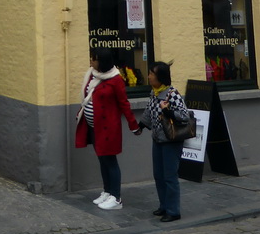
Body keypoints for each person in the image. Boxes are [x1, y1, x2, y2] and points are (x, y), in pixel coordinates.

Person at [75, 46, 141, 211]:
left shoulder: (115, 80)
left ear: (101, 61)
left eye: (94, 58)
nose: (91, 61)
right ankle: (107, 191)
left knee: (110, 161)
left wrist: (133, 125)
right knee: (102, 160)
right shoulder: (92, 74)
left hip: (108, 128)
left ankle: (116, 197)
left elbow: (124, 103)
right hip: (93, 126)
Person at [139, 60, 190, 223]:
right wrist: (141, 125)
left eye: (151, 74)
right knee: (159, 175)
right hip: (158, 139)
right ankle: (164, 205)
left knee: (169, 176)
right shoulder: (154, 93)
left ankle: (173, 211)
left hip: (171, 141)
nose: (148, 76)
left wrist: (168, 111)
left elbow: (184, 116)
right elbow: (149, 110)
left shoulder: (172, 94)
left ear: (160, 77)